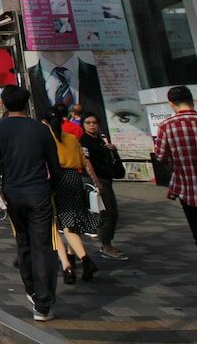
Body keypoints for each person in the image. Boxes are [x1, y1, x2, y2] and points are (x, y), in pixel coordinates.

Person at [0, 85, 61, 323]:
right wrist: (53, 187)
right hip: (39, 191)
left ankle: (32, 290)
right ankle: (43, 303)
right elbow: (54, 164)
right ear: (27, 103)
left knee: (23, 240)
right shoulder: (40, 129)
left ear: (5, 104)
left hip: (12, 193)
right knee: (43, 245)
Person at [154, 85, 197, 297]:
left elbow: (161, 156)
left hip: (191, 191)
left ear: (171, 104)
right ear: (193, 101)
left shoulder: (166, 126)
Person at [44, 106, 100, 284]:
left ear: (45, 122)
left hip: (56, 179)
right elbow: (84, 161)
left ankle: (74, 262)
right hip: (75, 177)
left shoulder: (46, 139)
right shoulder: (71, 137)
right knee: (72, 220)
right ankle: (74, 256)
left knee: (57, 223)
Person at [80, 112, 128, 260]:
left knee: (113, 212)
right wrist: (96, 182)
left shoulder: (101, 139)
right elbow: (87, 162)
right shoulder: (84, 141)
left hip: (107, 178)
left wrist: (112, 149)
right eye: (88, 123)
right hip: (96, 180)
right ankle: (106, 245)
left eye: (94, 122)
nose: (92, 125)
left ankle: (108, 243)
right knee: (105, 213)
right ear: (83, 125)